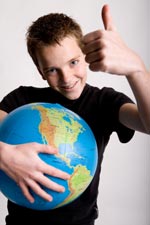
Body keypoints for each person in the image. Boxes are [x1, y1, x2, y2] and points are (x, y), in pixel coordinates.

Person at [0, 4, 149, 225]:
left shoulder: (103, 102)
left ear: (85, 55)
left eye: (73, 62)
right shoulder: (21, 101)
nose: (66, 77)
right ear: (41, 71)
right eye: (52, 69)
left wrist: (136, 70)